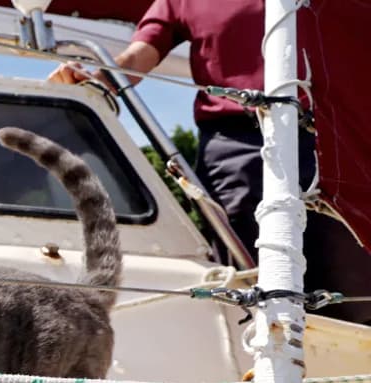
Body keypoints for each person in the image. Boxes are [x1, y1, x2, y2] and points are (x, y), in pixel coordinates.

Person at [48, 0, 371, 325]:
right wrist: (92, 80)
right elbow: (137, 57)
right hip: (236, 154)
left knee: (352, 296)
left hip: (338, 145)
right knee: (255, 292)